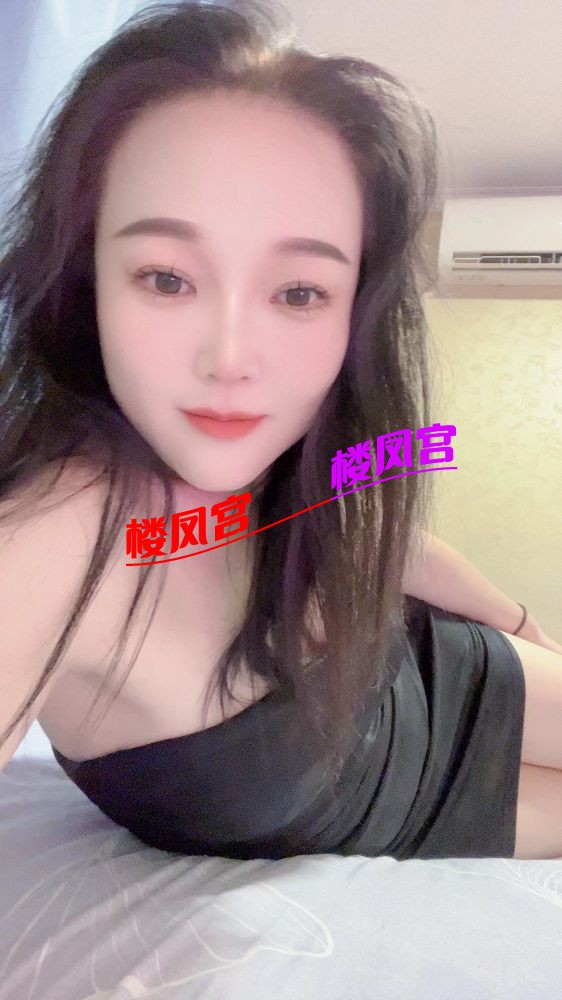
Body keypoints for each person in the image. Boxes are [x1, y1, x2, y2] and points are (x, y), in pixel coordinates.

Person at [1, 0, 562, 862]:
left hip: (442, 671)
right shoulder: (53, 539)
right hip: (407, 812)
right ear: (86, 277)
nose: (231, 360)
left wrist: (521, 623)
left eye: (299, 293)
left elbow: (381, 536)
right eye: (167, 278)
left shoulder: (273, 457)